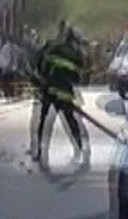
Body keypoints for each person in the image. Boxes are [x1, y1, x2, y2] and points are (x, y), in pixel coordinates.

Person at [28, 24, 90, 166]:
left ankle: (38, 151)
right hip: (63, 93)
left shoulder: (52, 49)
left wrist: (40, 81)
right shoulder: (75, 54)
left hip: (49, 90)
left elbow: (40, 66)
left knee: (43, 121)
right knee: (70, 120)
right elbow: (79, 78)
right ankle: (79, 149)